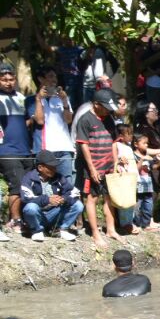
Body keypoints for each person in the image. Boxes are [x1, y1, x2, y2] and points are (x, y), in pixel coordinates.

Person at [77, 88, 124, 248]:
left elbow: (113, 142)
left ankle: (111, 229)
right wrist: (92, 169)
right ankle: (95, 234)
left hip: (109, 166)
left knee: (109, 198)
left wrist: (116, 163)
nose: (108, 110)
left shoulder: (109, 118)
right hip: (94, 167)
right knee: (92, 199)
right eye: (105, 107)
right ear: (96, 104)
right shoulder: (85, 120)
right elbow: (84, 146)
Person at [19, 149, 83, 242]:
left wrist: (63, 199)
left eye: (55, 167)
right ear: (40, 167)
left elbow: (74, 192)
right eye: (51, 167)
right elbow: (26, 198)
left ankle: (60, 229)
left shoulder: (59, 177)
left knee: (78, 205)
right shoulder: (29, 178)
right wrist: (47, 200)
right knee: (30, 207)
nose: (54, 169)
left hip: (54, 213)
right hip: (38, 214)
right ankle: (37, 230)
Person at [1, 62, 33, 240]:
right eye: (4, 79)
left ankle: (24, 218)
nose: (8, 82)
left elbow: (28, 120)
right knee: (17, 182)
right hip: (5, 150)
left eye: (11, 79)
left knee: (28, 185)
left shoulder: (21, 97)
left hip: (25, 149)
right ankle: (15, 220)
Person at [28, 65, 76, 181]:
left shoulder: (62, 98)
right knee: (46, 185)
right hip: (45, 150)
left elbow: (68, 120)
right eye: (50, 76)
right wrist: (39, 100)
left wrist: (64, 101)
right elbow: (40, 120)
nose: (54, 80)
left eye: (55, 77)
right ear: (40, 79)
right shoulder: (31, 100)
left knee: (67, 184)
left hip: (64, 148)